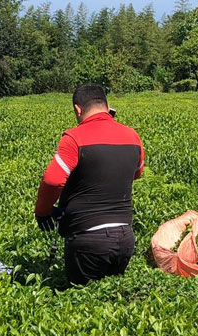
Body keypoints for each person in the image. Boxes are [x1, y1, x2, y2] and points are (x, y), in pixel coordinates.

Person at [34, 84, 144, 285]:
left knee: (82, 303)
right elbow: (137, 173)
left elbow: (52, 179)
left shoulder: (74, 138)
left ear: (78, 109)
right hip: (125, 237)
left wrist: (43, 211)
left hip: (88, 239)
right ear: (107, 105)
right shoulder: (133, 136)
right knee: (113, 301)